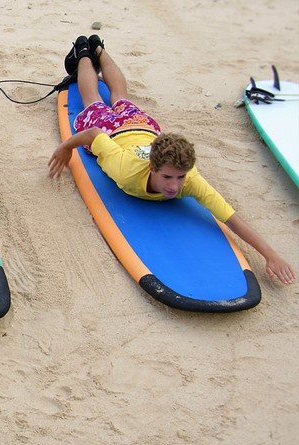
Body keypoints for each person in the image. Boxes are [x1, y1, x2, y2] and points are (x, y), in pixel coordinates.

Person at [48, 36, 295, 285]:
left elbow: (232, 219)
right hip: (114, 132)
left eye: (180, 177)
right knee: (94, 102)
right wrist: (66, 148)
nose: (174, 186)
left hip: (144, 128)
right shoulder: (126, 168)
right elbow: (94, 134)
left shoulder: (191, 180)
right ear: (152, 168)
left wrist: (270, 255)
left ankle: (98, 48)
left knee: (121, 97)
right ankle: (85, 50)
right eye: (167, 177)